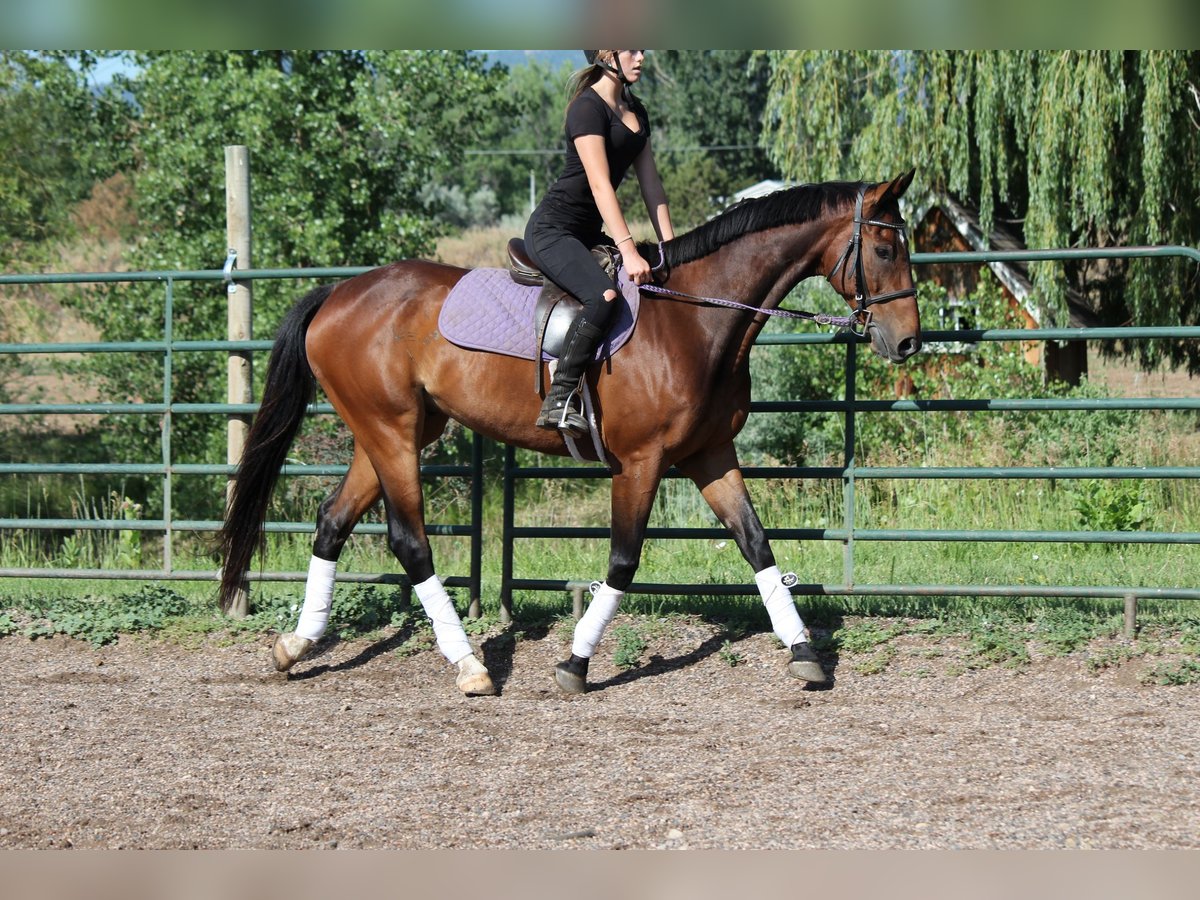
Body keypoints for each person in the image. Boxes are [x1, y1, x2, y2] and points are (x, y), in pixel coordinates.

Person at [524, 49, 675, 437]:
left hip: (589, 233)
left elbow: (652, 186)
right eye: (632, 50)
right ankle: (559, 398)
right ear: (607, 54)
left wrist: (672, 249)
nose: (641, 57)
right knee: (604, 296)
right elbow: (599, 184)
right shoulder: (587, 109)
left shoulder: (636, 111)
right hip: (553, 230)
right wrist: (628, 250)